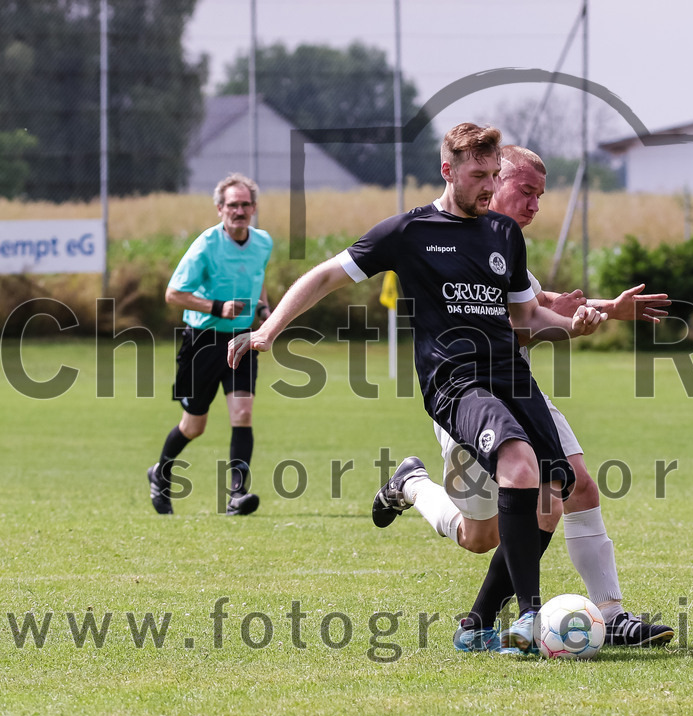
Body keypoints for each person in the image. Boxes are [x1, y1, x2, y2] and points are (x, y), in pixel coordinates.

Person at [228, 123, 607, 654]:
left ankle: (478, 623)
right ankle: (529, 616)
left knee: (549, 494)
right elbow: (325, 276)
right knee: (519, 467)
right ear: (448, 170)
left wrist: (573, 325)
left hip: (512, 378)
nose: (487, 186)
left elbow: (526, 315)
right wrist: (268, 331)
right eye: (478, 176)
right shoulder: (409, 231)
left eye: (493, 176)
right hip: (457, 380)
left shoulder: (504, 234)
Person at [372, 145, 675, 651]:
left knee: (575, 486)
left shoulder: (504, 243)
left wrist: (605, 310)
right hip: (466, 399)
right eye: (525, 191)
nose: (534, 205)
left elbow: (538, 304)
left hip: (519, 390)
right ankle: (414, 485)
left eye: (541, 195)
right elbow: (519, 321)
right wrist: (573, 317)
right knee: (480, 536)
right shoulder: (449, 239)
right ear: (493, 181)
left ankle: (610, 615)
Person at [147, 173, 272, 516]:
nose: (239, 211)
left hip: (242, 338)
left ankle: (237, 495)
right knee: (193, 426)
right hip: (203, 341)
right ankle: (160, 474)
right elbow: (173, 294)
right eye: (232, 205)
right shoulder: (205, 245)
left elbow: (258, 277)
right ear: (220, 209)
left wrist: (263, 308)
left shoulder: (263, 242)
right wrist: (217, 307)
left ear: (254, 208)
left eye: (245, 204)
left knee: (243, 413)